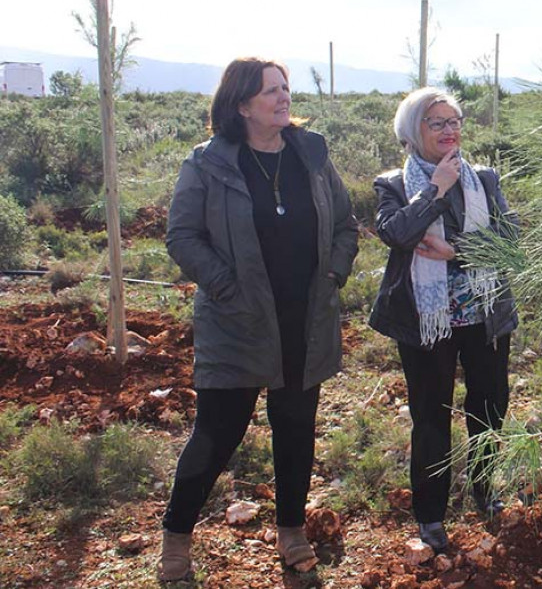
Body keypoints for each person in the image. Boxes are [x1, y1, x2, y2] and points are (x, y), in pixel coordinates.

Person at [159, 58, 359, 581]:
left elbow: (344, 223)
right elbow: (181, 236)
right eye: (272, 91)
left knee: (295, 430)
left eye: (285, 88)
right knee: (217, 435)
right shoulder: (208, 163)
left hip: (304, 319)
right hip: (237, 322)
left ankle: (292, 531)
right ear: (243, 104)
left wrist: (334, 275)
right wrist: (226, 287)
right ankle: (177, 536)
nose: (284, 97)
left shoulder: (311, 154)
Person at [369, 87, 518, 553]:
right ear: (415, 131)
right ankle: (430, 515)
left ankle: (484, 490)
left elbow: (510, 240)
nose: (451, 130)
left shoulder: (486, 180)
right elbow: (397, 233)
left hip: (484, 313)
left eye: (455, 121)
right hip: (426, 321)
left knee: (489, 407)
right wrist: (437, 189)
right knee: (430, 416)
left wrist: (457, 251)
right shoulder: (394, 184)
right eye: (438, 123)